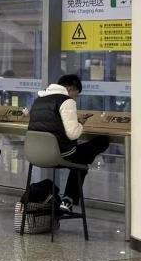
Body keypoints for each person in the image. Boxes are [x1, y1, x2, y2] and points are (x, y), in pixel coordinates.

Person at [28, 74, 109, 214]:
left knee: (82, 159)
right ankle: (68, 199)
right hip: (60, 155)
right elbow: (73, 134)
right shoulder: (66, 101)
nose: (75, 98)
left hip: (35, 155)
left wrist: (75, 121)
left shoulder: (38, 100)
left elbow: (51, 123)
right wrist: (80, 124)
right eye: (76, 95)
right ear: (70, 88)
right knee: (101, 142)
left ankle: (68, 200)